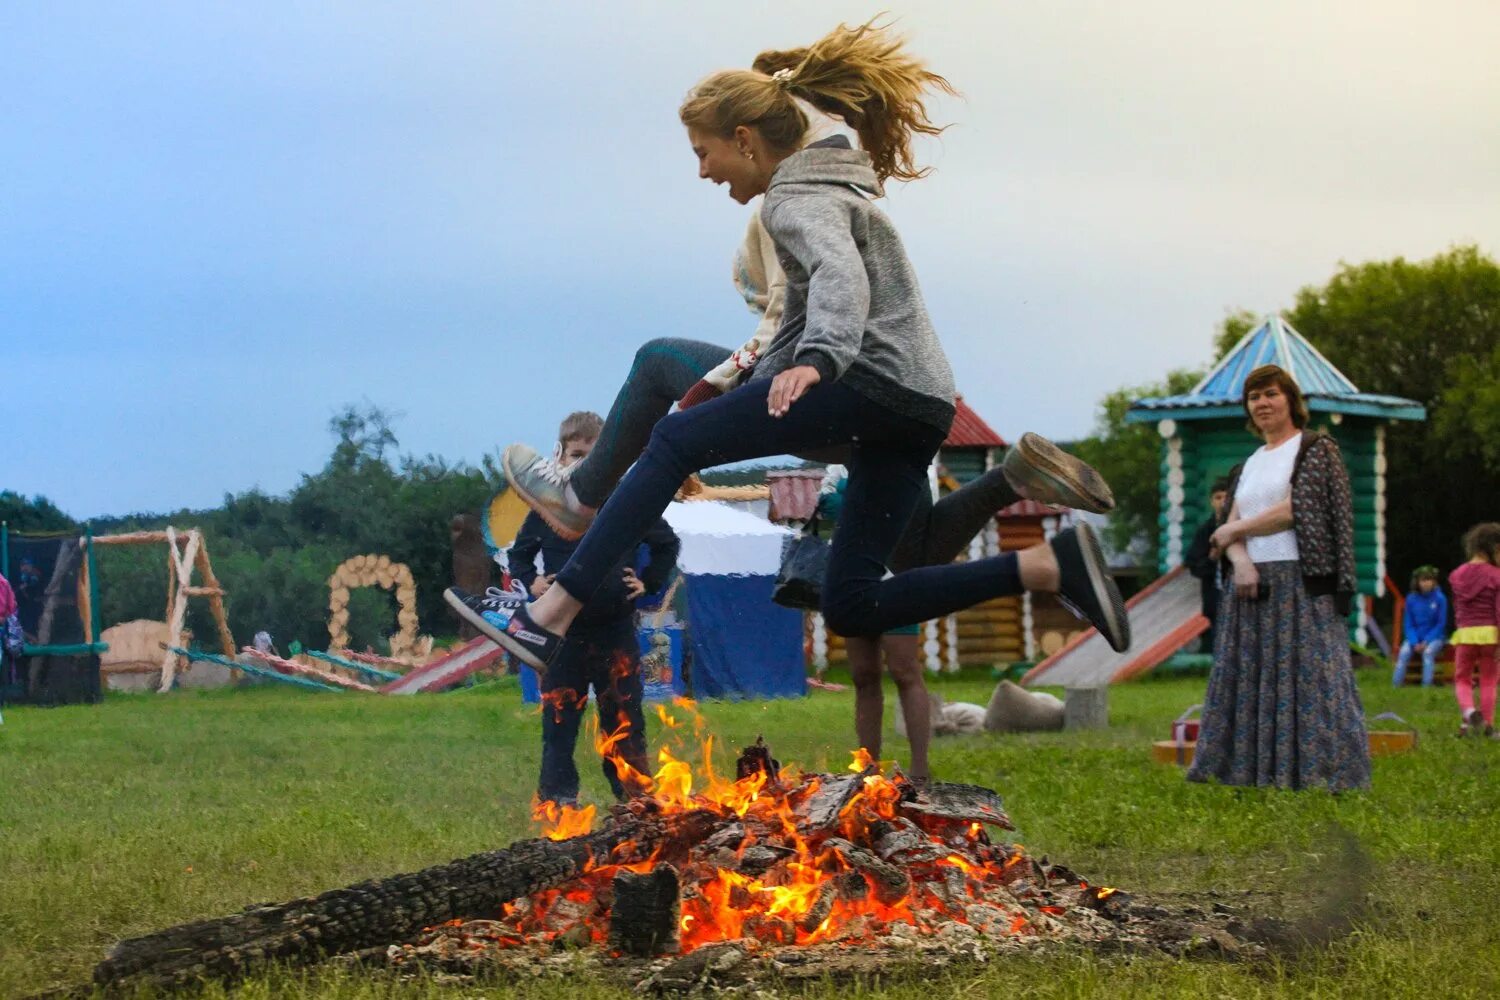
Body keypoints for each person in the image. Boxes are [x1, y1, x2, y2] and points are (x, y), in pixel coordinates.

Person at [448, 21, 1129, 674]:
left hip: (866, 385)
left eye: (702, 153)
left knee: (675, 437)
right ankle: (1046, 565)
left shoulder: (793, 200)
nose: (703, 173)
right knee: (852, 601)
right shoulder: (828, 173)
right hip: (918, 406)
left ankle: (553, 609)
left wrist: (816, 360)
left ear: (744, 139)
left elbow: (839, 276)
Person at [1187, 364, 1370, 792]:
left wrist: (1235, 531)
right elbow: (1226, 526)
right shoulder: (1249, 464)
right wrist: (1242, 559)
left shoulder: (1313, 449)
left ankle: (1323, 774)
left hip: (1303, 580)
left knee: (1312, 679)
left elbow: (1295, 510)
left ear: (1290, 400)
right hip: (1251, 583)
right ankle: (1252, 773)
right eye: (1254, 397)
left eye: (1270, 394)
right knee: (1250, 679)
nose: (1263, 403)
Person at [500, 411, 681, 806]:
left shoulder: (626, 503)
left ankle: (634, 802)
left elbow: (668, 544)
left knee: (625, 724)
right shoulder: (546, 510)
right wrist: (533, 582)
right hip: (565, 639)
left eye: (593, 457)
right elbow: (520, 555)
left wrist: (647, 582)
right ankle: (558, 804)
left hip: (616, 632)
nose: (584, 464)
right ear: (561, 457)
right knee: (560, 725)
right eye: (576, 454)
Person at [1447, 523, 1500, 738]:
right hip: (1491, 635)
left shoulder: (1457, 574)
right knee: (1489, 680)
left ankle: (1469, 714)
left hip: (1465, 633)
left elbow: (1458, 608)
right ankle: (1487, 726)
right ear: (1493, 547)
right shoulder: (1496, 575)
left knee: (1462, 679)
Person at [1184, 478, 1230, 651]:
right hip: (1215, 594)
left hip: (1239, 592)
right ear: (1212, 501)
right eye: (1218, 498)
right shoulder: (1205, 531)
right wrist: (1212, 558)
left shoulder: (1240, 526)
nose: (1222, 502)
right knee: (1219, 641)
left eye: (1226, 497)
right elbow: (1194, 564)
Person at [1391, 566, 1448, 687]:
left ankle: (1426, 687)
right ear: (1417, 582)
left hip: (1435, 638)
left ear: (1434, 581)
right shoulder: (1411, 599)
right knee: (1404, 652)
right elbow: (1408, 624)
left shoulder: (1440, 598)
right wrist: (1414, 641)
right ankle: (1395, 686)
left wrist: (1426, 641)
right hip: (1415, 638)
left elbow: (1440, 624)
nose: (1426, 583)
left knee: (1428, 653)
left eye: (1429, 580)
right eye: (1423, 580)